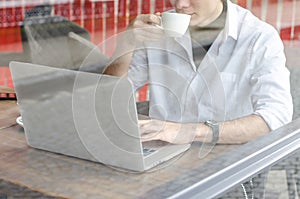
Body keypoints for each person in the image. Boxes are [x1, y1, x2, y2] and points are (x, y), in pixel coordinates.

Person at [103, 0, 293, 145]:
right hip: (162, 153)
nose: (180, 4)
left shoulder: (258, 37)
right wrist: (126, 44)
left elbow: (276, 116)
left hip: (227, 158)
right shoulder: (157, 29)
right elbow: (108, 97)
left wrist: (190, 131)